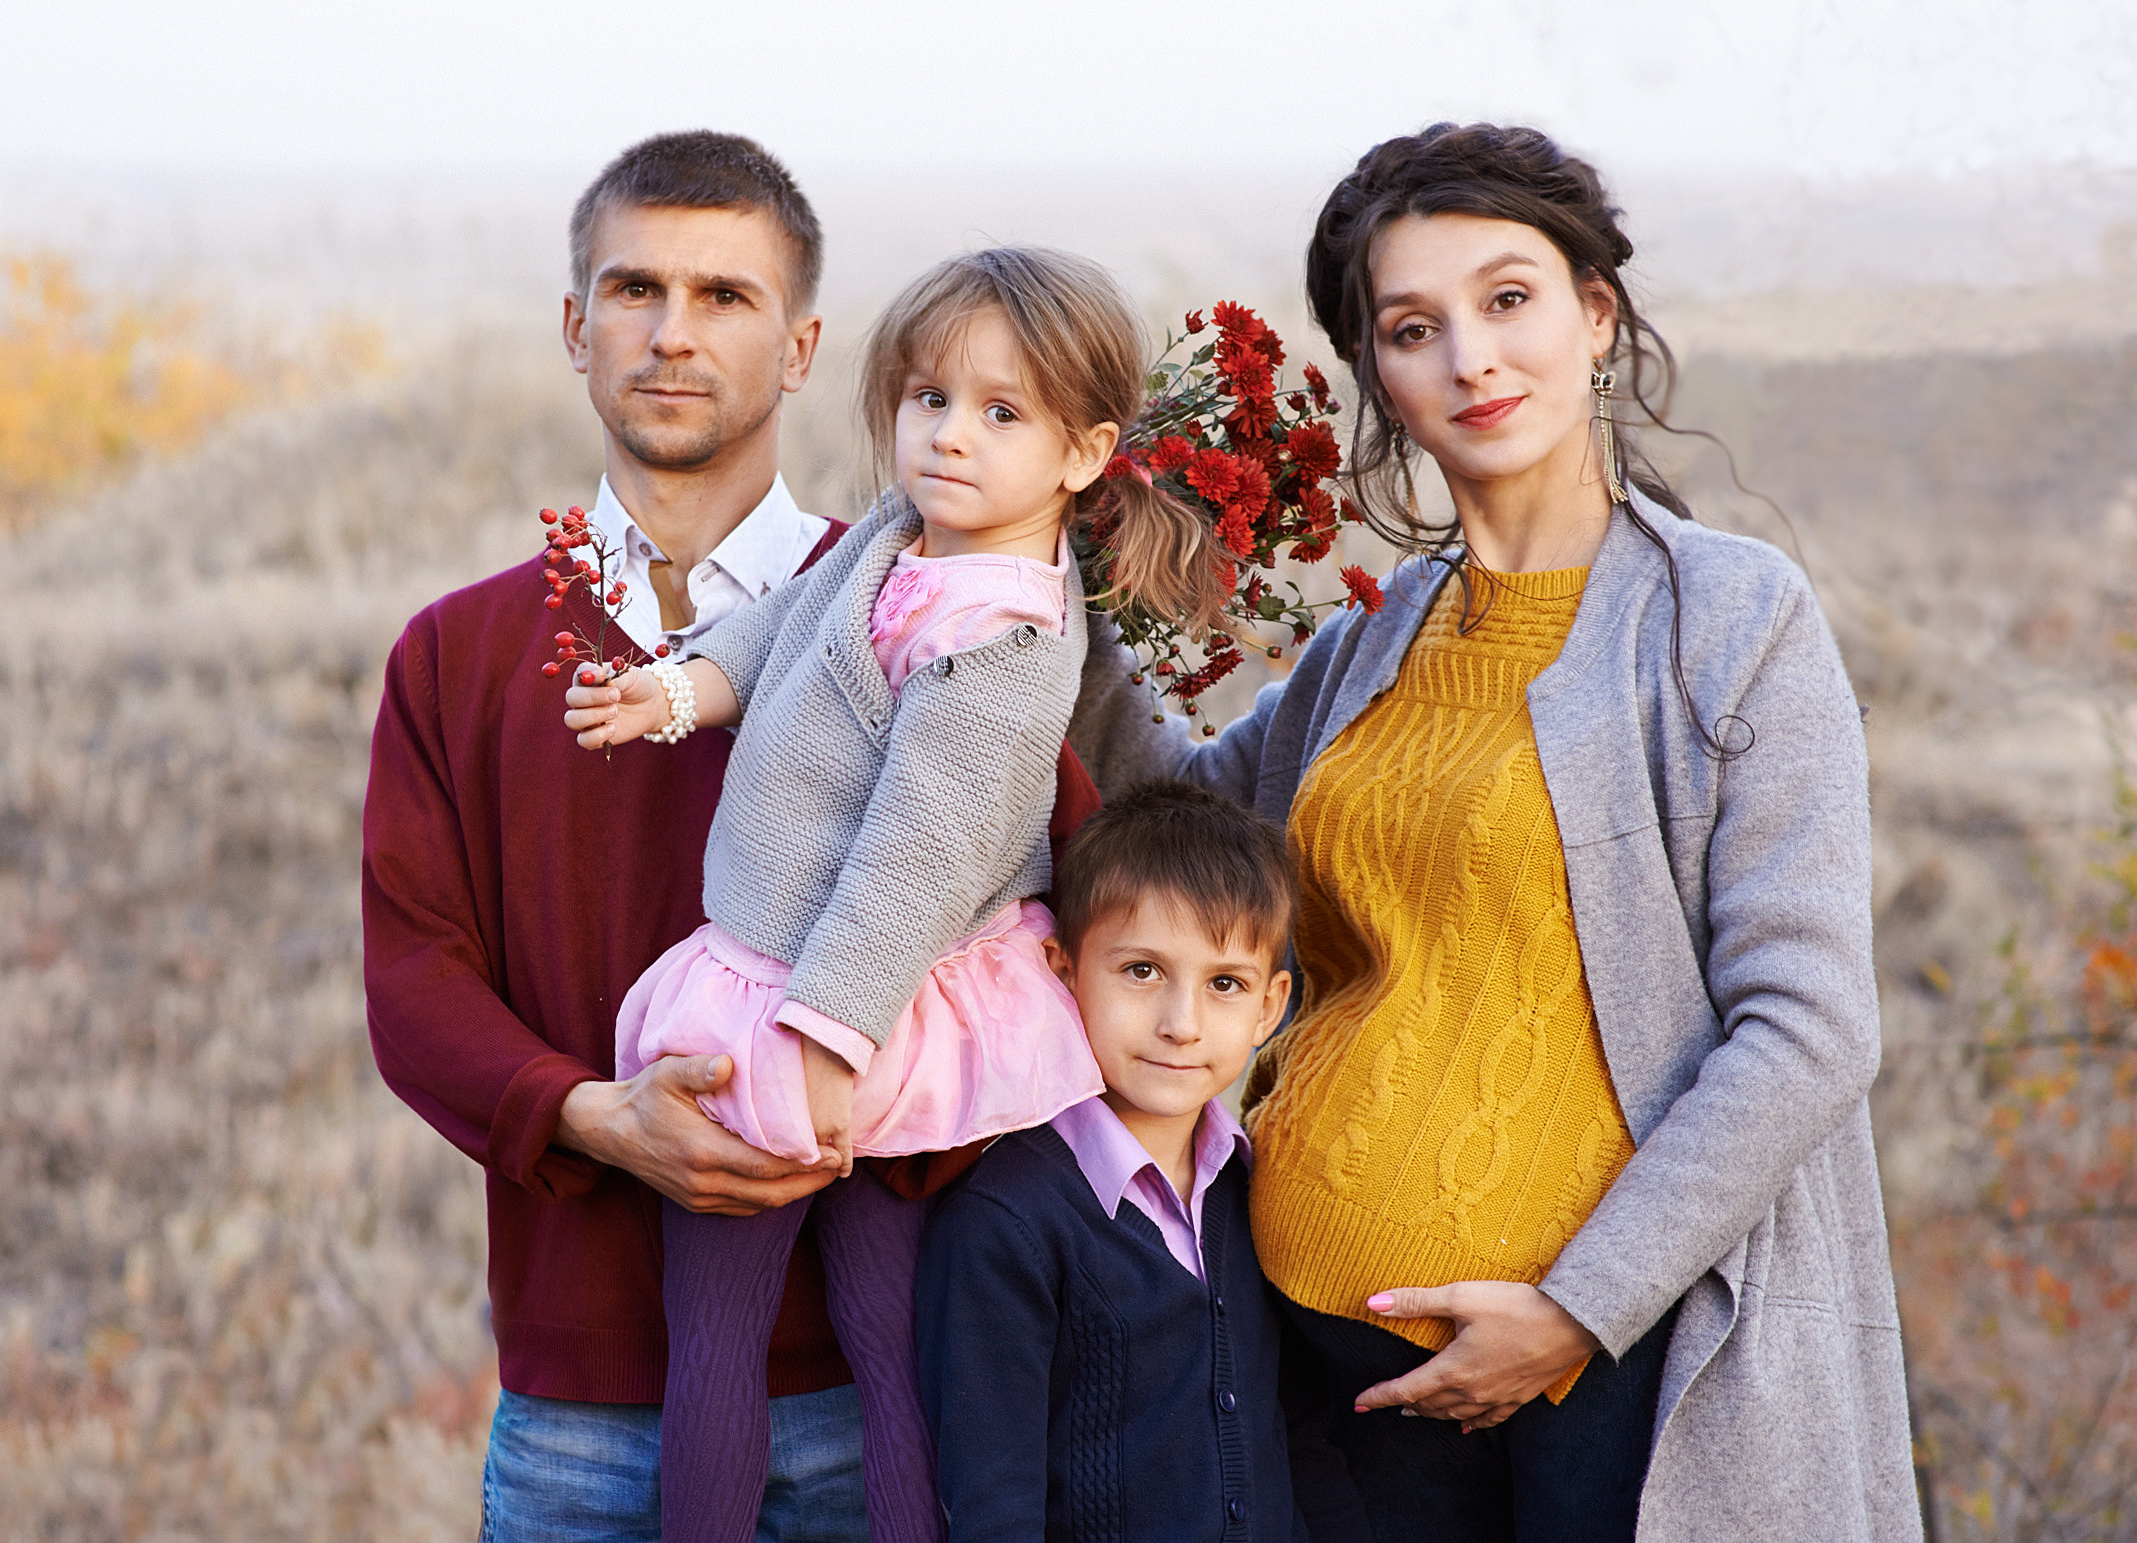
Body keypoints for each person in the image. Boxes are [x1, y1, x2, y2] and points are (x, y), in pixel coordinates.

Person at [1064, 122, 1920, 1542]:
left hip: (1601, 1372)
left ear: (1595, 316)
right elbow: (1168, 813)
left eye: (1508, 298)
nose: (1472, 357)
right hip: (1310, 1359)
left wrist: (1578, 1309)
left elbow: (1813, 1022)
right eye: (1415, 326)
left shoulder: (1729, 620)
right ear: (1380, 381)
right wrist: (1056, 568)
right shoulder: (1375, 638)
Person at [363, 131, 1096, 1542]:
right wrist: (601, 1119)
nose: (673, 333)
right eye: (635, 290)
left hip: (884, 1390)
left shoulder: (935, 604)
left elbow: (1040, 883)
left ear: (805, 342)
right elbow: (413, 976)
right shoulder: (456, 654)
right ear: (578, 327)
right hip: (582, 1411)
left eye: (726, 295)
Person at [563, 247, 1233, 1543]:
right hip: (772, 964)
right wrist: (687, 686)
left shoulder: (1007, 644)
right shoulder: (896, 535)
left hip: (867, 1006)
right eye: (929, 398)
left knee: (876, 1343)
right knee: (723, 1339)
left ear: (1084, 452)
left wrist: (825, 1036)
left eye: (1001, 413)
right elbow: (793, 623)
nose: (948, 437)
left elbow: (915, 856)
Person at [910, 781, 1305, 1542]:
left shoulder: (1256, 1187)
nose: (1181, 1024)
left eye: (1224, 983)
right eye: (1142, 970)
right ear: (1062, 969)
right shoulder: (1005, 1221)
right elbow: (995, 1500)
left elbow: (1299, 1433)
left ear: (1270, 1004)